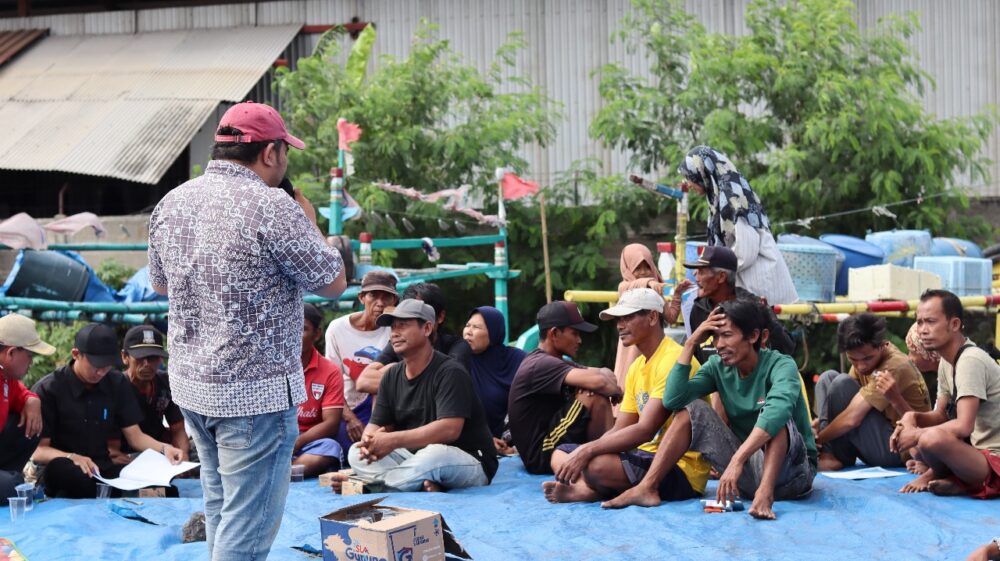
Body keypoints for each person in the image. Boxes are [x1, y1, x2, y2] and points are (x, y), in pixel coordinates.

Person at [147, 101, 346, 561]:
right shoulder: (273, 206)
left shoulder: (172, 202)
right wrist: (310, 223)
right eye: (285, 152)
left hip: (193, 387)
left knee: (221, 507)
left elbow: (160, 283)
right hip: (255, 397)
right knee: (247, 525)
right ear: (270, 152)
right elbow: (332, 282)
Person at [604, 299, 816, 519]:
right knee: (692, 409)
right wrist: (690, 344)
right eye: (714, 336)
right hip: (746, 474)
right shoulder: (717, 367)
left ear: (754, 336)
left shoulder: (782, 365)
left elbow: (777, 413)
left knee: (775, 416)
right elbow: (674, 400)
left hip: (793, 475)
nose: (718, 344)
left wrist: (737, 460)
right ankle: (648, 487)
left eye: (727, 335)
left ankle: (765, 494)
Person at [541, 288, 709, 504]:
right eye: (618, 319)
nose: (620, 325)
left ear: (652, 317)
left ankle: (594, 486)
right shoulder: (637, 366)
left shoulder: (673, 359)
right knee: (561, 454)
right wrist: (583, 452)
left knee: (595, 465)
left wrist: (588, 451)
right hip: (643, 457)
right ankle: (589, 489)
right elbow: (621, 427)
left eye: (628, 317)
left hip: (678, 468)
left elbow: (645, 431)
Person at [344, 299, 498, 492]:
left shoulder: (450, 371)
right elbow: (374, 428)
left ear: (426, 329)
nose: (394, 333)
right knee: (356, 452)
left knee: (435, 455)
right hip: (415, 458)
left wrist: (392, 440)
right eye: (392, 327)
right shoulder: (390, 375)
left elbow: (449, 430)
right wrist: (370, 443)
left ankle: (372, 487)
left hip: (470, 459)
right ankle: (414, 482)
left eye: (402, 325)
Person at [31, 323, 185, 499]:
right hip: (65, 468)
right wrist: (72, 457)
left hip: (102, 468)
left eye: (106, 366)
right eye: (96, 365)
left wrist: (165, 449)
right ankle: (115, 493)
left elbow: (135, 437)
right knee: (74, 476)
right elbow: (39, 451)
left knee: (166, 490)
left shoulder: (116, 383)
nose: (100, 372)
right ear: (76, 354)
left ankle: (113, 492)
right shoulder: (49, 389)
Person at [892, 290, 1000, 498]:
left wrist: (916, 434)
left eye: (930, 322)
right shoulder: (945, 362)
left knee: (929, 439)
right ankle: (956, 479)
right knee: (923, 439)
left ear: (954, 324)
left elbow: (964, 426)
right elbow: (941, 415)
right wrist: (912, 418)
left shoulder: (970, 360)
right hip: (974, 453)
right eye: (919, 322)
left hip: (994, 460)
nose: (923, 330)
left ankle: (960, 480)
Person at [507, 301, 622, 475]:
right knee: (592, 395)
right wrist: (615, 390)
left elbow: (606, 373)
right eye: (574, 333)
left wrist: (600, 384)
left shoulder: (556, 362)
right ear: (554, 333)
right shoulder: (540, 364)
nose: (579, 340)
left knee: (590, 387)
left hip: (552, 441)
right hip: (541, 454)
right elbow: (601, 382)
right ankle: (608, 461)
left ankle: (607, 457)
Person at [677, 145, 798, 305]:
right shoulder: (719, 199)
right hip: (748, 288)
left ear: (703, 172)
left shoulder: (733, 201)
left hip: (761, 288)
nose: (688, 184)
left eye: (690, 177)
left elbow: (745, 252)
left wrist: (713, 272)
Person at [812, 313, 930, 471]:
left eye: (867, 358)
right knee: (827, 378)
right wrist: (822, 420)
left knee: (841, 383)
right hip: (876, 435)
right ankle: (829, 454)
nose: (861, 366)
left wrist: (817, 438)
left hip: (897, 447)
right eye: (853, 360)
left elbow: (852, 418)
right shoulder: (864, 357)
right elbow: (843, 401)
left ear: (882, 346)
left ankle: (827, 453)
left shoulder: (894, 366)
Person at [324, 271, 398, 454]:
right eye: (373, 295)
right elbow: (330, 381)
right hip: (348, 406)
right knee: (344, 448)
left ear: (394, 301)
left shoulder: (397, 329)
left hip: (385, 407)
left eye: (386, 297)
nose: (380, 303)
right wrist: (350, 418)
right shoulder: (337, 329)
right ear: (362, 297)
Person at [683, 245, 795, 364]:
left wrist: (767, 318)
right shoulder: (698, 308)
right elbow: (696, 356)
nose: (695, 276)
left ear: (721, 277)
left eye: (701, 272)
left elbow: (786, 349)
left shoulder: (752, 306)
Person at [355, 282, 473, 394]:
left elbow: (449, 382)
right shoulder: (398, 343)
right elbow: (364, 382)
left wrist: (393, 373)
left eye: (419, 314)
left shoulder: (457, 346)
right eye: (405, 318)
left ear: (440, 317)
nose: (396, 332)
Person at [612, 244, 691, 406]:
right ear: (627, 269)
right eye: (637, 268)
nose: (643, 272)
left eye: (647, 267)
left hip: (654, 348)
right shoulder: (626, 287)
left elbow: (671, 317)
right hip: (633, 349)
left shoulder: (656, 291)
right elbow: (631, 286)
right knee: (629, 383)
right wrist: (649, 283)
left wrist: (677, 295)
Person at [109, 325, 189, 463]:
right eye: (140, 357)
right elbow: (116, 448)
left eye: (153, 358)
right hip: (127, 456)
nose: (147, 364)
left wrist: (183, 457)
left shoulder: (166, 382)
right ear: (125, 357)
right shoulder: (115, 387)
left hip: (164, 452)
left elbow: (178, 430)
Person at [0, 314, 54, 504]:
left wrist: (32, 400)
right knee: (12, 487)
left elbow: (20, 393)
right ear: (11, 353)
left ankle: (9, 479)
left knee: (31, 424)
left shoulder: (6, 377)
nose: (31, 363)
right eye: (29, 356)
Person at [463, 306, 525, 451]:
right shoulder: (458, 361)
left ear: (493, 333)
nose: (468, 331)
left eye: (476, 327)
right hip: (470, 444)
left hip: (515, 446)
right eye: (467, 325)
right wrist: (483, 440)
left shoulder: (516, 359)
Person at [294, 303, 345, 477]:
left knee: (331, 448)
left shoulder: (330, 371)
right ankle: (289, 471)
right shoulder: (272, 367)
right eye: (290, 327)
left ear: (317, 334)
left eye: (302, 329)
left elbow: (331, 424)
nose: (294, 334)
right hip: (276, 439)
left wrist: (298, 442)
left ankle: (282, 472)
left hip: (308, 442)